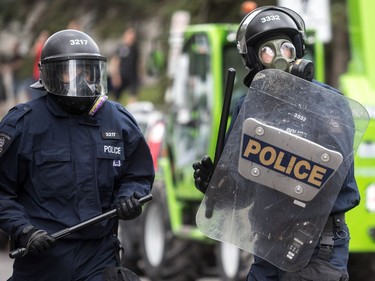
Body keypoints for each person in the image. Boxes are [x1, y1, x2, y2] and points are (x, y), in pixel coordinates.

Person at [193, 6, 356, 281]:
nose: (279, 56)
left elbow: (333, 179)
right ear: (254, 62)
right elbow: (242, 193)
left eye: (286, 47)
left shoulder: (329, 104)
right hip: (268, 243)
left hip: (317, 243)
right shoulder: (249, 107)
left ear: (299, 50)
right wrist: (218, 185)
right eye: (266, 51)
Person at [0, 29, 154, 281]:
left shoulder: (118, 120)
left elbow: (137, 175)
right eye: (69, 71)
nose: (81, 79)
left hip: (99, 255)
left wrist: (129, 198)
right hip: (42, 258)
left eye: (87, 70)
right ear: (49, 75)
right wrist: (24, 230)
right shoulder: (22, 124)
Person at [109, 27, 140, 103]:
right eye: (130, 37)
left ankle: (132, 110)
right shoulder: (120, 48)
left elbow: (138, 62)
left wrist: (140, 75)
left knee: (133, 94)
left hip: (132, 76)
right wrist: (115, 76)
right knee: (117, 97)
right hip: (121, 75)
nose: (131, 39)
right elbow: (115, 62)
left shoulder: (135, 49)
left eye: (133, 38)